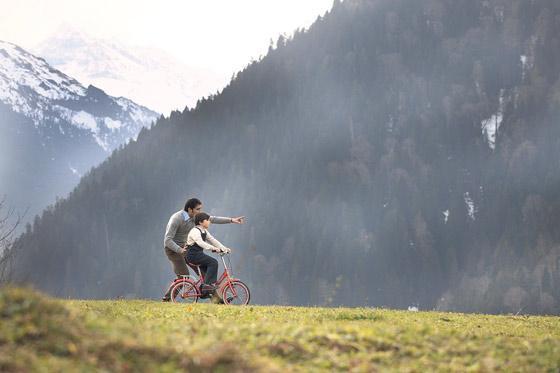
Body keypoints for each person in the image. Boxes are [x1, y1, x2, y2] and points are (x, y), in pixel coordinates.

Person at [162, 198, 244, 301]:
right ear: (190, 209)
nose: (200, 212)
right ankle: (167, 298)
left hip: (187, 249)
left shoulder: (196, 217)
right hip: (173, 250)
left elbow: (213, 219)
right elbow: (167, 240)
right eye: (198, 209)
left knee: (206, 276)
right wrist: (179, 249)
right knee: (184, 277)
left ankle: (217, 301)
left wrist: (231, 220)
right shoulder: (177, 218)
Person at [186, 212, 231, 297]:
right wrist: (213, 248)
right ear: (200, 222)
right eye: (207, 220)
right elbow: (200, 242)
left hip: (198, 254)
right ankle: (207, 287)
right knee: (213, 262)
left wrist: (224, 248)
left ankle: (206, 291)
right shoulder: (195, 231)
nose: (209, 222)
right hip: (192, 255)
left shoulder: (204, 231)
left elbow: (213, 240)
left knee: (207, 273)